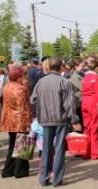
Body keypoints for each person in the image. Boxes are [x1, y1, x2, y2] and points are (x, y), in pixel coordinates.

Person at [30, 56, 81, 187]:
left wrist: (43, 107)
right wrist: (74, 120)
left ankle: (44, 178)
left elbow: (33, 100)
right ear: (60, 67)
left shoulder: (41, 82)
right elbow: (69, 104)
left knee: (46, 148)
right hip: (60, 119)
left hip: (46, 119)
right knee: (59, 149)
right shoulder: (64, 82)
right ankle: (57, 179)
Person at [0, 64, 32, 178]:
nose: (24, 76)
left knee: (12, 145)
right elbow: (24, 109)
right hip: (19, 121)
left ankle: (8, 170)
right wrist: (28, 123)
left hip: (10, 120)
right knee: (22, 146)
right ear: (19, 76)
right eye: (23, 74)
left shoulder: (7, 87)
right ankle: (20, 171)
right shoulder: (20, 89)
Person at [82, 59, 98, 160]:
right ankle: (94, 154)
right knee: (95, 129)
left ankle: (86, 152)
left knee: (87, 129)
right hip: (93, 104)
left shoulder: (84, 77)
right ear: (96, 68)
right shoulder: (96, 78)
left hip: (85, 103)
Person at [70, 58, 87, 133]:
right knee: (80, 122)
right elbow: (84, 88)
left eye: (84, 66)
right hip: (78, 103)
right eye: (82, 66)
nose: (84, 68)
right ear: (76, 66)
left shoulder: (82, 74)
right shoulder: (75, 77)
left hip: (82, 101)